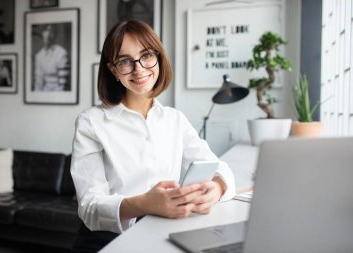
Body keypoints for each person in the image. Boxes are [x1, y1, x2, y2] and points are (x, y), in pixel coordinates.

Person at [70, 19, 236, 253]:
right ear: (113, 70)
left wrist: (216, 188)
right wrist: (145, 204)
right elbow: (89, 207)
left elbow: (222, 169)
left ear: (158, 58)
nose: (139, 69)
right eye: (125, 61)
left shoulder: (174, 119)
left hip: (160, 236)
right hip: (106, 241)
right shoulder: (91, 122)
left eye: (147, 55)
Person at [34, 24, 70, 91]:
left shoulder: (61, 53)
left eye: (51, 31)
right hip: (45, 91)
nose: (48, 34)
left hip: (59, 92)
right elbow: (39, 82)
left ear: (55, 35)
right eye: (45, 31)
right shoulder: (39, 56)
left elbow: (62, 85)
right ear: (42, 33)